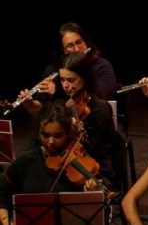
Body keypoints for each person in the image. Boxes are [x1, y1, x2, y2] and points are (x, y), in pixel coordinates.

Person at [0, 103, 105, 225]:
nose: (50, 142)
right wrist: (10, 224)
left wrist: (90, 194)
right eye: (45, 135)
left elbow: (98, 209)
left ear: (69, 134)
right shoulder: (26, 162)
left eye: (57, 136)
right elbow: (2, 194)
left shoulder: (81, 161)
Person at [21, 51, 117, 181]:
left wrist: (73, 131)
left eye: (71, 80)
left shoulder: (99, 109)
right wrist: (31, 106)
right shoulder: (62, 103)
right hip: (64, 164)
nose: (65, 86)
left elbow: (96, 149)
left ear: (85, 78)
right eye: (62, 80)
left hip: (92, 169)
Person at [41, 22, 117, 99]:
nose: (77, 49)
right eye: (70, 45)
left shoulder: (103, 66)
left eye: (79, 42)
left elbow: (101, 97)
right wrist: (31, 103)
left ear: (86, 42)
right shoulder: (52, 69)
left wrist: (56, 93)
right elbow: (40, 107)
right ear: (63, 50)